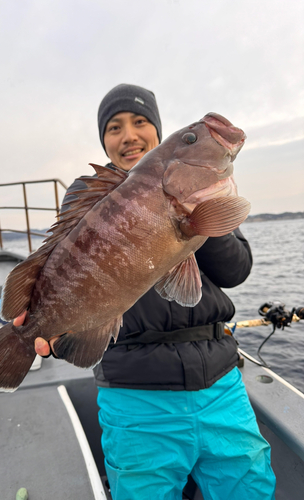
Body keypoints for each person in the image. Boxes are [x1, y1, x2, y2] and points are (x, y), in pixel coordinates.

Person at [17, 84, 276, 499]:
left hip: (220, 384)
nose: (129, 135)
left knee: (249, 489)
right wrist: (56, 331)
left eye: (140, 122)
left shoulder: (204, 192)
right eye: (115, 127)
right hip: (134, 396)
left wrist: (197, 217)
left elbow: (236, 270)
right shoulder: (88, 195)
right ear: (104, 139)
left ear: (158, 132)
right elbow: (72, 280)